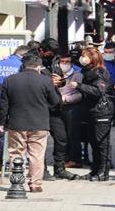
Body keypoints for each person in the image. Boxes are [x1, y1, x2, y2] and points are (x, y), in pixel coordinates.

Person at [0, 54, 60, 192]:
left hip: (16, 123)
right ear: (38, 66)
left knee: (16, 153)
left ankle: (17, 183)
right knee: (37, 155)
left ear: (23, 65)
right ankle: (35, 184)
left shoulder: (10, 80)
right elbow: (55, 101)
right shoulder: (45, 81)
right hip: (39, 123)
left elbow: (4, 104)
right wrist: (44, 107)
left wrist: (2, 122)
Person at [36, 38, 78, 180]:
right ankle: (41, 170)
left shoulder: (54, 60)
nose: (52, 55)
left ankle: (59, 168)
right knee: (40, 141)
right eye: (50, 52)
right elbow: (30, 80)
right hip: (40, 106)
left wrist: (61, 81)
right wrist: (49, 82)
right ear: (42, 50)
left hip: (54, 106)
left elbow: (59, 78)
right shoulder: (33, 60)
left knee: (61, 138)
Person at [70, 48, 114, 181]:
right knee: (93, 142)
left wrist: (78, 86)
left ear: (93, 58)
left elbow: (98, 91)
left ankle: (103, 172)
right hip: (91, 111)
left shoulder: (100, 72)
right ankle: (95, 170)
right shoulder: (86, 71)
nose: (82, 59)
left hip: (101, 111)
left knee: (102, 143)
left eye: (85, 56)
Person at [0, 45, 29, 167]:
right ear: (24, 56)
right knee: (18, 136)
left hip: (0, 104)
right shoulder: (21, 66)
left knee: (2, 132)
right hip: (17, 105)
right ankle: (15, 162)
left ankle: (1, 160)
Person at [58, 53, 83, 168]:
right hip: (59, 107)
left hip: (72, 108)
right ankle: (65, 158)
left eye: (67, 62)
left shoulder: (77, 75)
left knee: (73, 134)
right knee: (62, 135)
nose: (64, 64)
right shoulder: (56, 75)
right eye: (62, 62)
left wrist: (66, 99)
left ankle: (75, 159)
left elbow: (80, 94)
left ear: (71, 64)